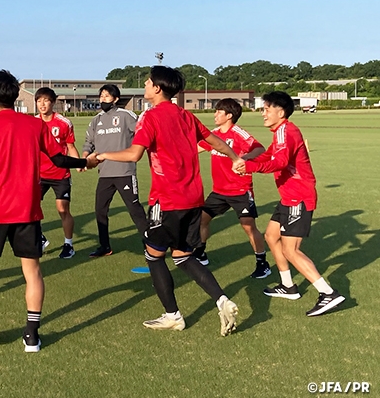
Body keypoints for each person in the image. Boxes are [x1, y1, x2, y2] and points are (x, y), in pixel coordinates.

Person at [0, 70, 98, 352]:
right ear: (17, 96)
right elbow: (59, 159)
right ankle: (31, 335)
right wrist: (85, 163)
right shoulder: (36, 125)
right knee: (32, 271)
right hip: (27, 210)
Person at [97, 66, 240, 336]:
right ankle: (222, 300)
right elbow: (216, 141)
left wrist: (103, 156)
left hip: (167, 199)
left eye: (148, 82)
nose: (145, 85)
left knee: (153, 255)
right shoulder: (186, 115)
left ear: (157, 88)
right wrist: (235, 158)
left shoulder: (150, 117)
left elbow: (134, 154)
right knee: (183, 257)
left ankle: (173, 315)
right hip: (193, 199)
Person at [234, 91, 345, 316]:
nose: (263, 113)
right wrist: (247, 159)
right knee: (271, 236)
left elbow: (280, 162)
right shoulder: (280, 132)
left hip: (299, 197)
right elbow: (270, 155)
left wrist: (250, 167)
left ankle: (328, 293)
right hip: (289, 197)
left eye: (267, 109)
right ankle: (288, 286)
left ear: (281, 112)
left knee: (290, 250)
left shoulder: (287, 131)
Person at [195, 98, 271, 279]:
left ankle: (262, 263)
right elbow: (196, 148)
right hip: (219, 191)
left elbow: (260, 149)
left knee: (248, 227)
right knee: (202, 220)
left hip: (240, 190)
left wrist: (244, 159)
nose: (215, 115)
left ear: (229, 116)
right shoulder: (214, 135)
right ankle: (200, 254)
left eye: (218, 112)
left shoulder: (238, 133)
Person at [82, 84, 146, 257]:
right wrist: (84, 158)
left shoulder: (126, 115)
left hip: (124, 172)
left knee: (135, 210)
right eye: (101, 96)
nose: (103, 99)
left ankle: (150, 245)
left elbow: (142, 133)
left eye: (107, 96)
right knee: (100, 210)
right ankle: (105, 246)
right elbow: (88, 143)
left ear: (116, 99)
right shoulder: (96, 120)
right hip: (104, 173)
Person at [35, 87, 80, 259]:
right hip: (38, 174)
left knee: (63, 209)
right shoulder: (33, 123)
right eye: (39, 101)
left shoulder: (64, 123)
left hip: (60, 174)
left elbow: (70, 146)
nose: (42, 104)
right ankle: (38, 238)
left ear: (53, 103)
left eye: (46, 100)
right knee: (30, 207)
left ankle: (68, 245)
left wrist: (78, 163)